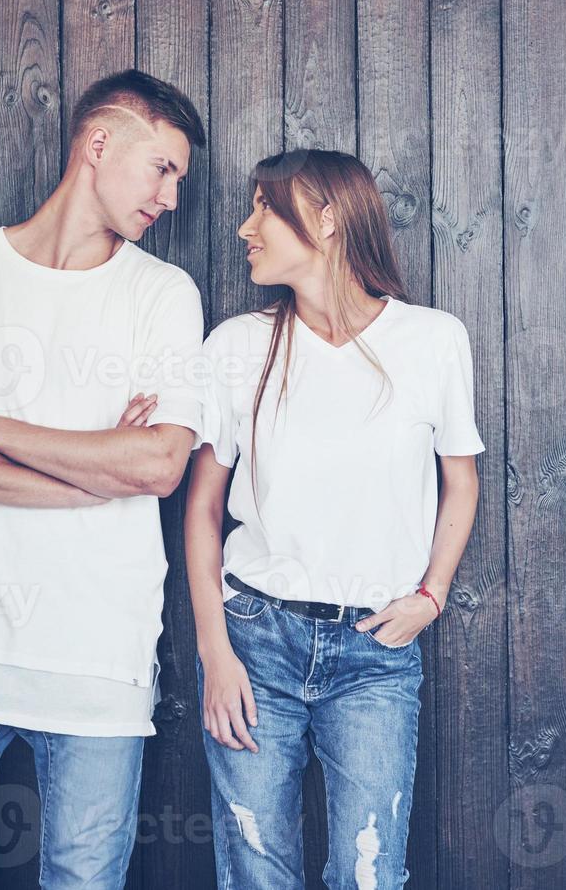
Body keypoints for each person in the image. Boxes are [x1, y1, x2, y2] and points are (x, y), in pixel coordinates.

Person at [0, 69, 206, 889]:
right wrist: (92, 474)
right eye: (161, 167)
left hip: (100, 663)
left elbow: (159, 463)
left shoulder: (163, 294)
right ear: (98, 143)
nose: (170, 196)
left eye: (181, 180)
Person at [183, 149, 484, 888]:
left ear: (326, 218)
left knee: (370, 874)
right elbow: (201, 510)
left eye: (264, 207)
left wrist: (432, 595)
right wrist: (216, 653)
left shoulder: (433, 340)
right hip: (255, 641)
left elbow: (463, 481)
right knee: (256, 872)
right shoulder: (235, 346)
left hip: (375, 652)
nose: (245, 226)